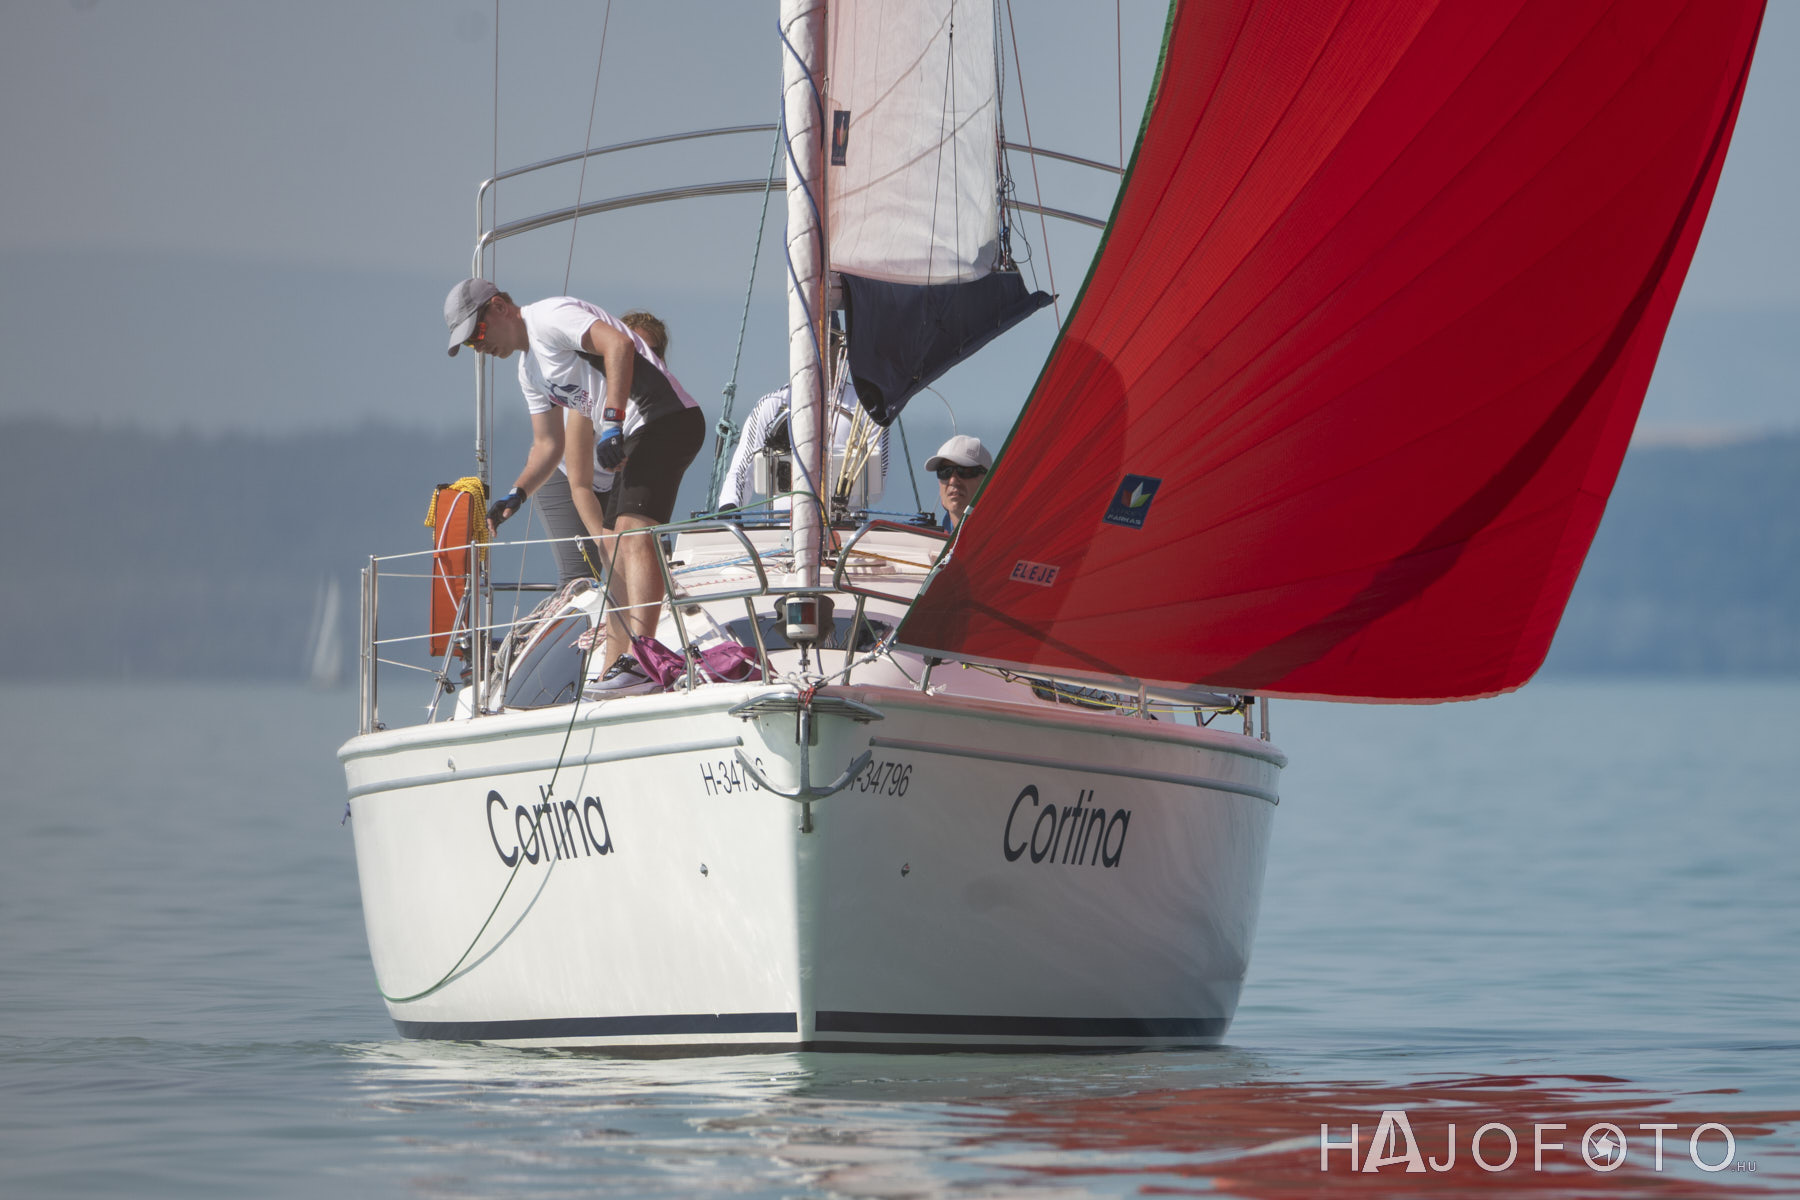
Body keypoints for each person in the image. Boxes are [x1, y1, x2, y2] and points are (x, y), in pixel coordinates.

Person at [445, 279, 704, 693]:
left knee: (633, 534)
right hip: (637, 432)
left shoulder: (549, 317)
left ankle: (644, 660)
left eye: (477, 334)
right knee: (613, 552)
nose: (479, 347)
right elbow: (548, 445)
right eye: (470, 344)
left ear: (499, 307)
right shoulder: (528, 370)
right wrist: (516, 494)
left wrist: (613, 422)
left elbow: (618, 343)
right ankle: (614, 669)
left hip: (665, 419)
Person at [924, 434, 990, 532]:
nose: (953, 481)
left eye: (965, 470)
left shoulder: (1008, 534)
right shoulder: (929, 539)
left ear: (987, 481)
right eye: (944, 471)